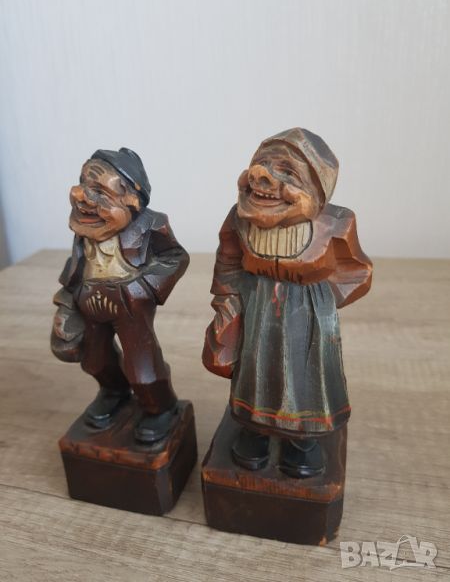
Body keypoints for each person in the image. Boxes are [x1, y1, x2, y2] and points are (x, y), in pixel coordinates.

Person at [202, 128, 372, 477]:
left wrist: (321, 302)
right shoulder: (239, 219)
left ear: (318, 190)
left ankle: (301, 440)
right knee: (255, 370)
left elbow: (357, 270)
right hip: (256, 309)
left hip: (308, 317)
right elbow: (228, 260)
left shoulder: (336, 224)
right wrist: (228, 302)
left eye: (287, 172)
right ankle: (255, 430)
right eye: (261, 164)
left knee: (305, 375)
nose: (262, 177)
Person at [51, 148, 189, 442]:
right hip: (89, 300)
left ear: (132, 200)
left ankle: (159, 407)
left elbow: (175, 258)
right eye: (82, 184)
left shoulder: (152, 224)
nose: (81, 195)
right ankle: (113, 392)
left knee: (142, 364)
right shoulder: (86, 227)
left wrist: (141, 289)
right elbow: (75, 266)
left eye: (99, 191)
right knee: (95, 358)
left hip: (129, 304)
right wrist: (66, 301)